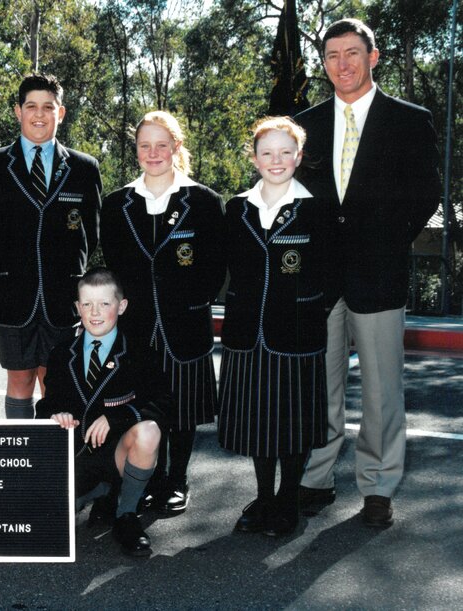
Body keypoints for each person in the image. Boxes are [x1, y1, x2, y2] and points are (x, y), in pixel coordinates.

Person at [295, 18, 441, 527]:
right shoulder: (303, 125)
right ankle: (314, 478)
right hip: (318, 279)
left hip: (379, 275)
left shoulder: (408, 119)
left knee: (382, 388)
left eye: (352, 53)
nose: (342, 64)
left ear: (373, 56)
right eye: (332, 55)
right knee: (320, 385)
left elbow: (425, 195)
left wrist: (384, 242)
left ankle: (377, 487)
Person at [100, 111, 225, 515]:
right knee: (141, 406)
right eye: (144, 145)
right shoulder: (117, 204)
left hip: (185, 325)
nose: (153, 153)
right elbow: (114, 266)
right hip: (136, 328)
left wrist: (189, 301)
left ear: (176, 148)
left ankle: (177, 481)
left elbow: (215, 268)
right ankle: (148, 478)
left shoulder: (203, 202)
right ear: (136, 151)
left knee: (184, 407)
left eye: (161, 145)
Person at [218, 116, 334, 537]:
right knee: (257, 421)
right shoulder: (237, 207)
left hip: (298, 333)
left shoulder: (317, 206)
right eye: (267, 152)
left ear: (299, 157)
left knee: (293, 420)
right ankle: (263, 497)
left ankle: (288, 500)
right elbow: (226, 265)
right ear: (253, 157)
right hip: (247, 334)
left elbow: (332, 270)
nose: (276, 160)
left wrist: (312, 307)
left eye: (286, 152)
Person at [0, 73, 102, 419]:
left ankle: (53, 467)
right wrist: (3, 268)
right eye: (31, 106)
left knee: (57, 384)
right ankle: (20, 462)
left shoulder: (84, 168)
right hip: (11, 296)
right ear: (18, 111)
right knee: (19, 382)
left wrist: (70, 274)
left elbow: (91, 233)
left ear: (61, 113)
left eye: (48, 107)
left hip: (62, 299)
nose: (39, 114)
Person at [36, 268, 165, 556]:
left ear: (121, 306)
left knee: (149, 431)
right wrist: (55, 415)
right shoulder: (62, 353)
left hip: (118, 453)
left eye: (105, 304)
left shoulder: (140, 352)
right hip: (78, 458)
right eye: (87, 304)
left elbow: (162, 404)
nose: (95, 312)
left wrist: (117, 417)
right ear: (77, 307)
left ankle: (127, 515)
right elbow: (46, 404)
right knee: (42, 523)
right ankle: (96, 493)